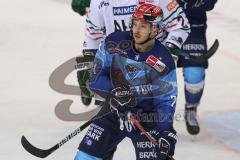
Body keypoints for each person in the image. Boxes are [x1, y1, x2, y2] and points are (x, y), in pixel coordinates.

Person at [74, 4, 178, 160]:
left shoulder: (163, 60)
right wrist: (115, 92)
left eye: (143, 26)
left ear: (155, 30)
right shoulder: (114, 42)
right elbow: (95, 77)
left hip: (146, 120)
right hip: (114, 112)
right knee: (84, 157)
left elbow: (165, 101)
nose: (136, 30)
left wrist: (165, 131)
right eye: (135, 24)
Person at [72, 0, 190, 106]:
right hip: (115, 67)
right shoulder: (99, 2)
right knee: (109, 120)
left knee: (148, 120)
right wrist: (91, 64)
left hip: (148, 67)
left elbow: (180, 26)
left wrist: (166, 54)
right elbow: (93, 34)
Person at [176, 0, 218, 135]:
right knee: (156, 71)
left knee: (194, 74)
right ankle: (151, 114)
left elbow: (209, 4)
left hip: (193, 26)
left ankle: (191, 108)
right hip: (160, 24)